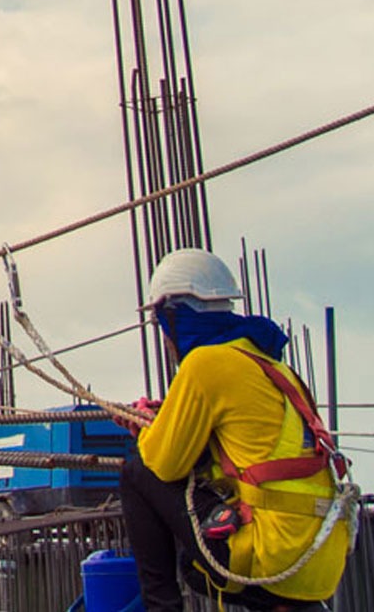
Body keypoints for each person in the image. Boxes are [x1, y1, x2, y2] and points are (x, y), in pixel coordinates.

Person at [119, 248, 352, 611]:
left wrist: (148, 431)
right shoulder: (269, 363)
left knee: (137, 468)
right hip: (319, 560)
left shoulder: (204, 363)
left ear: (171, 320)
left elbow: (164, 465)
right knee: (199, 558)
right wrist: (166, 418)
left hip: (273, 556)